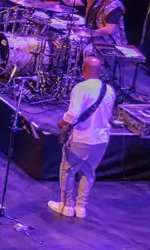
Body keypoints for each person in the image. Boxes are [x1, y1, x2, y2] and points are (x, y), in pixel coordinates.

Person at [47, 56, 116, 219]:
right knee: (89, 172)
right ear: (100, 70)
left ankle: (66, 206)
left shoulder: (80, 88)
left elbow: (73, 114)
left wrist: (61, 122)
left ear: (83, 69)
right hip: (101, 139)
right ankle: (81, 208)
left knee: (68, 171)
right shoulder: (110, 90)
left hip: (81, 138)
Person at [44, 0, 126, 47]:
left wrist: (88, 33)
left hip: (109, 41)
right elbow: (70, 1)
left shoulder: (114, 6)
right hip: (93, 34)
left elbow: (109, 30)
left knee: (87, 49)